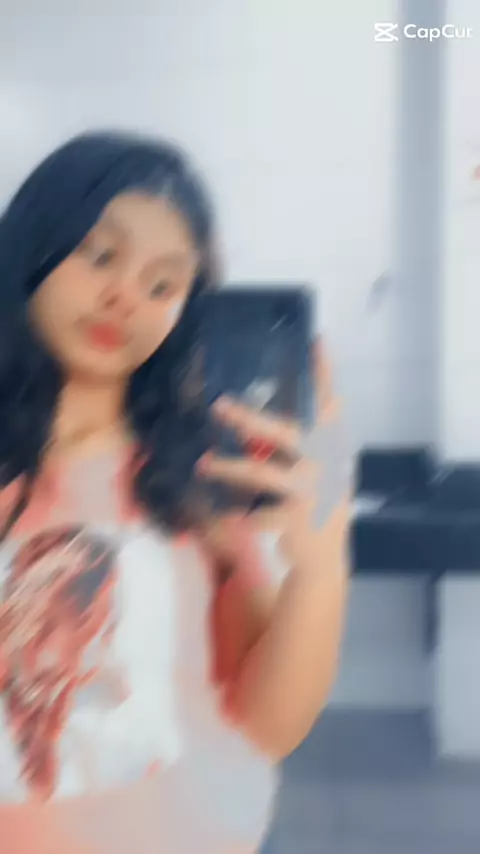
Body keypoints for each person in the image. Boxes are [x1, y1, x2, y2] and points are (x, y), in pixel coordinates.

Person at [0, 131, 350, 854]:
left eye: (162, 285)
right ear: (32, 248)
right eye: (101, 256)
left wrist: (320, 565)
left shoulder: (194, 474)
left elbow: (265, 727)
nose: (125, 297)